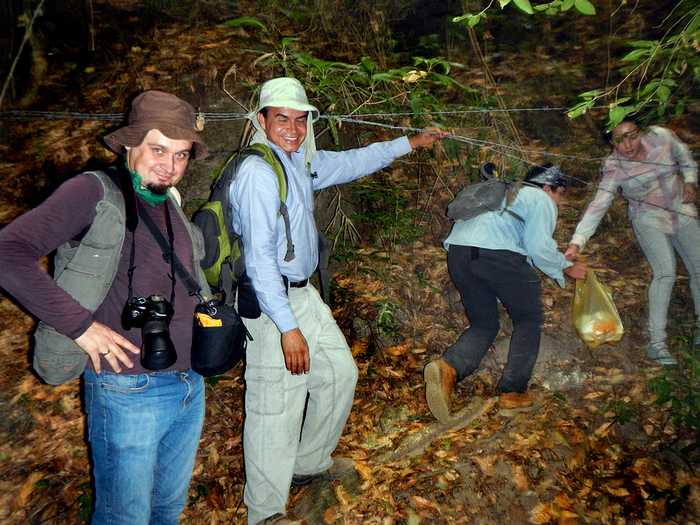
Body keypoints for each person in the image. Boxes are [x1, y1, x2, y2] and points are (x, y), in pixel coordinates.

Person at [231, 77, 446, 525]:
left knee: (337, 374)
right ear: (261, 120)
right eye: (281, 118)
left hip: (303, 292)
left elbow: (353, 161)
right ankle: (266, 513)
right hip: (272, 308)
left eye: (300, 119)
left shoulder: (298, 162)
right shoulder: (257, 172)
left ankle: (307, 465)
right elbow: (259, 259)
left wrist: (410, 142)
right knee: (276, 406)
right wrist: (288, 327)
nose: (292, 127)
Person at [0, 90, 211, 524]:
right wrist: (80, 326)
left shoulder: (171, 202)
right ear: (130, 144)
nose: (169, 166)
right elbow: (9, 252)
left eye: (181, 155)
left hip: (189, 384)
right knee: (124, 517)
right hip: (127, 391)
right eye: (158, 149)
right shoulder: (92, 191)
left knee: (166, 512)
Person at [424, 164, 587, 423]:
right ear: (548, 187)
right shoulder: (540, 199)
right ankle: (512, 393)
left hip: (459, 254)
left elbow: (516, 247)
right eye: (560, 194)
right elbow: (537, 248)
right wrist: (567, 267)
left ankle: (448, 368)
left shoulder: (506, 196)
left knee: (484, 324)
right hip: (496, 256)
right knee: (528, 320)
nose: (560, 202)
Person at [565, 119, 699, 365]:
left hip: (682, 210)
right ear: (611, 142)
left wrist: (690, 180)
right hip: (649, 219)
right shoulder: (614, 167)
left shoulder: (661, 136)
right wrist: (577, 242)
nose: (627, 144)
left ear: (642, 131)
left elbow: (685, 156)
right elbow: (599, 204)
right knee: (665, 273)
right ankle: (657, 343)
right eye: (619, 140)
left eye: (632, 135)